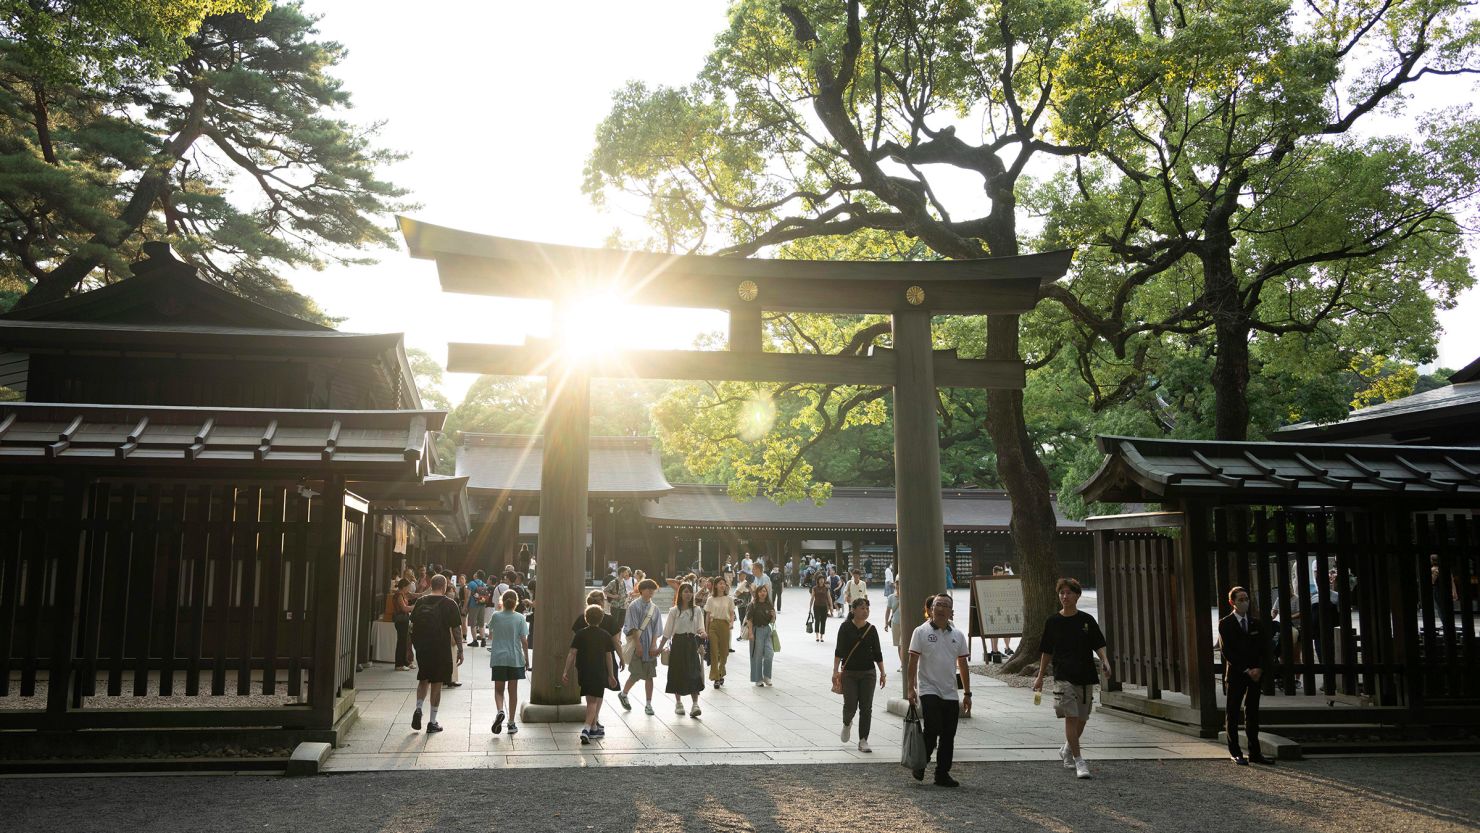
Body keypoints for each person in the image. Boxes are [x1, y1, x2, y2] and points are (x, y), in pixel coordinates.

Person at [1032, 577, 1110, 780]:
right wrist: (1040, 676)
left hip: (1085, 674)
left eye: (1068, 593)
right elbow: (1046, 651)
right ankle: (1079, 760)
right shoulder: (1053, 621)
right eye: (1062, 593)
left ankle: (1067, 748)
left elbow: (1098, 643)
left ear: (1077, 595)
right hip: (1063, 675)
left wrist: (1105, 660)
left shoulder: (1086, 620)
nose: (1065, 597)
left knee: (1082, 720)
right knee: (1071, 717)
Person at [906, 593, 971, 787]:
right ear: (930, 610)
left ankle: (942, 773)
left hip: (950, 691)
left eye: (945, 605)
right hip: (928, 688)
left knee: (948, 734)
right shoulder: (921, 632)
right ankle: (921, 763)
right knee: (932, 727)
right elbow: (913, 661)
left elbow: (963, 664)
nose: (941, 608)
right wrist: (911, 688)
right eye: (937, 605)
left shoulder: (958, 635)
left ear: (952, 611)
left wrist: (967, 693)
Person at [1220, 586, 1273, 765]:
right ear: (1232, 602)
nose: (1245, 602)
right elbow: (1227, 651)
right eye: (1241, 599)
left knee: (1252, 714)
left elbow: (1265, 648)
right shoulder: (1225, 623)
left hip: (1255, 674)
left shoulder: (1255, 623)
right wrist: (1245, 669)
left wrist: (1259, 668)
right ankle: (1235, 751)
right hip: (1237, 673)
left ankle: (1255, 752)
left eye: (1246, 599)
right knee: (1233, 713)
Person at [409, 573, 462, 733]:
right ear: (445, 586)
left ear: (431, 585)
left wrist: (411, 647)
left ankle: (418, 708)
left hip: (423, 648)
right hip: (440, 647)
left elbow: (412, 625)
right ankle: (432, 721)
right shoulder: (449, 604)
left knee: (423, 678)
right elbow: (456, 629)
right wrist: (460, 649)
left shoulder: (420, 601)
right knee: (437, 683)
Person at [833, 597, 886, 753]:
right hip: (849, 673)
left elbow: (878, 653)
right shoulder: (845, 628)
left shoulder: (872, 629)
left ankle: (863, 740)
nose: (865, 611)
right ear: (853, 610)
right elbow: (839, 651)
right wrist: (835, 671)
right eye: (862, 608)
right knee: (850, 704)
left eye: (867, 608)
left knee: (866, 707)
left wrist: (883, 672)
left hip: (868, 673)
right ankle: (847, 722)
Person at [564, 604, 620, 744]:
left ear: (585, 618)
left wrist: (565, 671)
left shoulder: (580, 634)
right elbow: (608, 656)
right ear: (601, 619)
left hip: (583, 670)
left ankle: (594, 728)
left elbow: (572, 653)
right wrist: (611, 675)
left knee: (590, 700)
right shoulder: (605, 635)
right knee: (594, 702)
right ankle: (586, 728)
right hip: (599, 671)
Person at [658, 582, 707, 716]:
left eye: (690, 592)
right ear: (680, 594)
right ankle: (678, 703)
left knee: (694, 673)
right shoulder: (674, 611)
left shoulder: (696, 610)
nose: (688, 594)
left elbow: (700, 627)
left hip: (692, 643)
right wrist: (659, 649)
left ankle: (695, 704)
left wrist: (703, 632)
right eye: (685, 591)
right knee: (677, 672)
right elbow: (667, 632)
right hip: (678, 644)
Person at [619, 578, 664, 715]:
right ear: (641, 590)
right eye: (648, 589)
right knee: (636, 674)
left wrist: (654, 645)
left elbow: (657, 629)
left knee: (650, 675)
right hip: (637, 645)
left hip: (650, 645)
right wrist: (638, 645)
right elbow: (632, 627)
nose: (651, 591)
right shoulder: (634, 606)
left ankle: (648, 704)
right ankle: (624, 693)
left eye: (653, 589)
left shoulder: (654, 608)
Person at [488, 589, 529, 735]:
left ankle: (500, 711)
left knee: (499, 690)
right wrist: (527, 660)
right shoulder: (520, 618)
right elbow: (524, 641)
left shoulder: (496, 616)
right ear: (516, 602)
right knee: (513, 691)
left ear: (502, 601)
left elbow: (491, 635)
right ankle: (511, 723)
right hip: (515, 658)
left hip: (499, 657)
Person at [704, 577, 735, 688]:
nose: (722, 585)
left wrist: (731, 623)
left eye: (724, 584)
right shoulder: (710, 599)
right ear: (715, 586)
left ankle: (721, 672)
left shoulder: (729, 599)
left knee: (724, 653)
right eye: (720, 583)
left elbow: (732, 613)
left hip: (725, 625)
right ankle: (716, 678)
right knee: (714, 652)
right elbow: (707, 616)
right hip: (713, 625)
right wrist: (706, 630)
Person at [746, 584, 777, 686]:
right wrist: (750, 633)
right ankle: (757, 679)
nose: (762, 593)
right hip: (756, 630)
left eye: (764, 591)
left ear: (767, 593)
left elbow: (772, 621)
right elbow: (749, 619)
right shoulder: (753, 604)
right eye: (760, 591)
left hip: (767, 630)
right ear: (757, 593)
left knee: (769, 653)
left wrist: (773, 616)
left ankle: (767, 677)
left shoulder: (769, 604)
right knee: (757, 655)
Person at [391, 579, 414, 671]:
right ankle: (399, 664)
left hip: (404, 620)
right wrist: (415, 606)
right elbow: (404, 608)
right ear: (404, 586)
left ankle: (405, 662)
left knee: (404, 642)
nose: (409, 588)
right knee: (401, 642)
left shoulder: (402, 594)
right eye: (408, 587)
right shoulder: (399, 595)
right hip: (400, 621)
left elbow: (415, 595)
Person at [466, 570, 488, 647]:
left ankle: (475, 641)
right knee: (481, 624)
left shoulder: (471, 583)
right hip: (482, 605)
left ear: (477, 575)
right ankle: (483, 640)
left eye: (475, 573)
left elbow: (468, 596)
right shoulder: (484, 584)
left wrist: (465, 606)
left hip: (473, 605)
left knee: (473, 624)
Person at [810, 575, 832, 641]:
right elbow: (812, 598)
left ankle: (822, 636)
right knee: (817, 620)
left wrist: (831, 606)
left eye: (823, 579)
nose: (822, 580)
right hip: (816, 606)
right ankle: (817, 635)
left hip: (824, 606)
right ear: (818, 580)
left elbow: (829, 597)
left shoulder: (826, 588)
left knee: (823, 621)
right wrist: (810, 607)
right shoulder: (814, 588)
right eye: (820, 579)